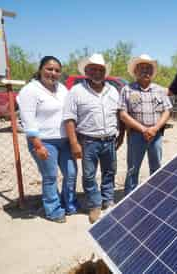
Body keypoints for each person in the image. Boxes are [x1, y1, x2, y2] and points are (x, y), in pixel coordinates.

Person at [17, 56, 78, 223]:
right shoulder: (30, 91)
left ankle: (69, 203)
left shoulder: (62, 89)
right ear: (40, 69)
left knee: (71, 173)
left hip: (64, 140)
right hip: (44, 141)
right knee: (50, 176)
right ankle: (53, 210)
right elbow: (28, 121)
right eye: (49, 69)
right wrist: (37, 145)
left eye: (57, 70)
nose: (53, 73)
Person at [63, 53, 122, 223]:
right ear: (86, 71)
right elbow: (69, 118)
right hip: (88, 141)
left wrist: (121, 135)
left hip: (109, 140)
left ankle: (108, 200)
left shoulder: (113, 90)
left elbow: (119, 114)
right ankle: (95, 205)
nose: (97, 72)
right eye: (93, 69)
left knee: (109, 172)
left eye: (100, 69)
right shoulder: (76, 91)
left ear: (105, 72)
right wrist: (74, 143)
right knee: (89, 176)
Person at [119, 54, 172, 195]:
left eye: (148, 68)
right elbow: (123, 114)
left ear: (152, 72)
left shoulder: (160, 90)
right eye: (141, 68)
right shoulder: (127, 89)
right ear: (135, 71)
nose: (145, 71)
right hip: (136, 135)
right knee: (133, 169)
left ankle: (156, 195)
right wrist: (143, 129)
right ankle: (129, 197)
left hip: (156, 136)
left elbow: (167, 111)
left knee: (156, 167)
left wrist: (154, 129)